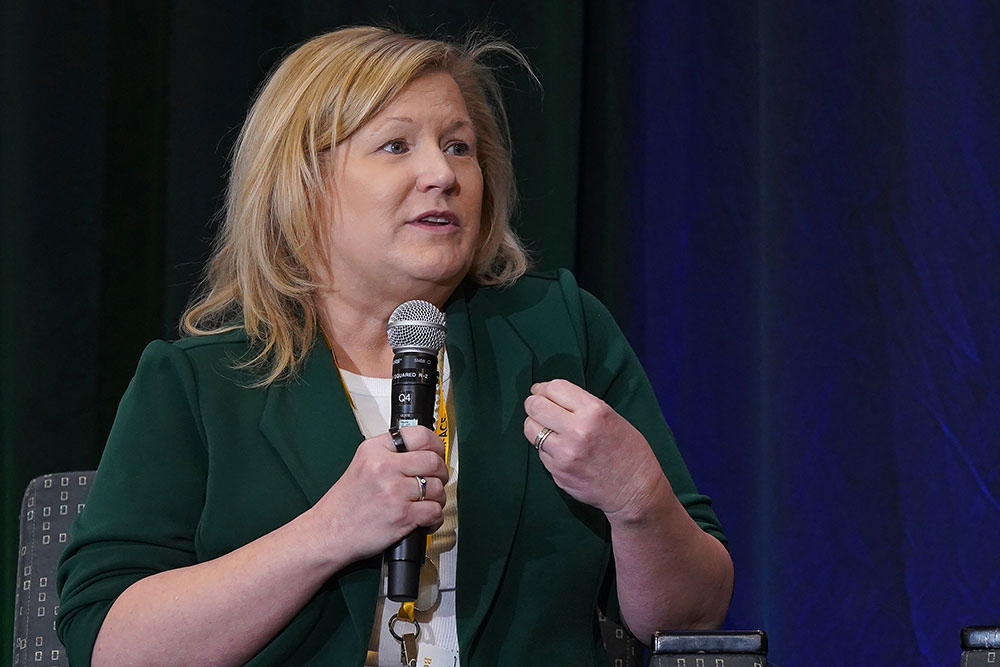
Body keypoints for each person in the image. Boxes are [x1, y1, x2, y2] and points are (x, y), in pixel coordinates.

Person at [56, 26, 733, 667]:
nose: (442, 173)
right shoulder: (198, 383)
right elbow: (111, 642)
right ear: (304, 182)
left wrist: (641, 500)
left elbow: (692, 614)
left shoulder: (559, 331)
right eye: (396, 145)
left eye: (459, 146)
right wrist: (328, 532)